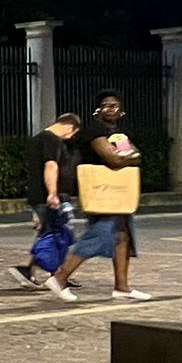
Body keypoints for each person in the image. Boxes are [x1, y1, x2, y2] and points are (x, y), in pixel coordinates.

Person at [46, 90, 150, 302]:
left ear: (121, 111)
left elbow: (136, 155)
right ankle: (60, 277)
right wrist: (127, 157)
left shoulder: (118, 133)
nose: (111, 109)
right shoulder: (94, 130)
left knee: (123, 236)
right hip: (102, 191)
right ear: (98, 110)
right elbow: (114, 160)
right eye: (106, 105)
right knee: (101, 234)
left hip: (117, 193)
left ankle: (122, 287)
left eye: (115, 106)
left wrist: (128, 157)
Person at [12, 114, 82, 290]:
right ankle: (45, 273)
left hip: (39, 195)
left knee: (51, 234)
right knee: (55, 235)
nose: (70, 138)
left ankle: (52, 273)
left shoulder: (37, 139)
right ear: (70, 127)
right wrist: (52, 193)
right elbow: (50, 166)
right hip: (47, 196)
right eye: (72, 134)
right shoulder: (52, 140)